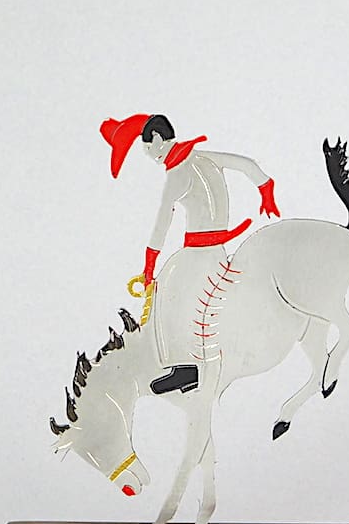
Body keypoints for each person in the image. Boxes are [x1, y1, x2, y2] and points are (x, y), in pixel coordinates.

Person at [100, 113, 279, 394]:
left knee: (165, 296)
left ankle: (186, 365)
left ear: (157, 139)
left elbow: (161, 224)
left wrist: (149, 267)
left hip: (198, 253)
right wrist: (266, 190)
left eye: (147, 149)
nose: (151, 157)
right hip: (217, 250)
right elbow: (247, 165)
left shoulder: (176, 175)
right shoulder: (206, 158)